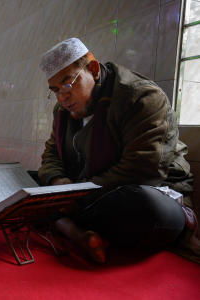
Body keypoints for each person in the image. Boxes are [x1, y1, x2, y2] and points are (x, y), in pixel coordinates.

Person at [37, 37, 198, 263]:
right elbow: (51, 154)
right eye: (55, 90)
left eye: (67, 84)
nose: (62, 97)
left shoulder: (140, 97)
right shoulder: (63, 110)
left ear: (92, 69)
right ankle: (76, 231)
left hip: (149, 193)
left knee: (145, 207)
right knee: (28, 181)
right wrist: (57, 182)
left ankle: (63, 223)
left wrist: (74, 197)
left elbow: (143, 171)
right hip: (87, 191)